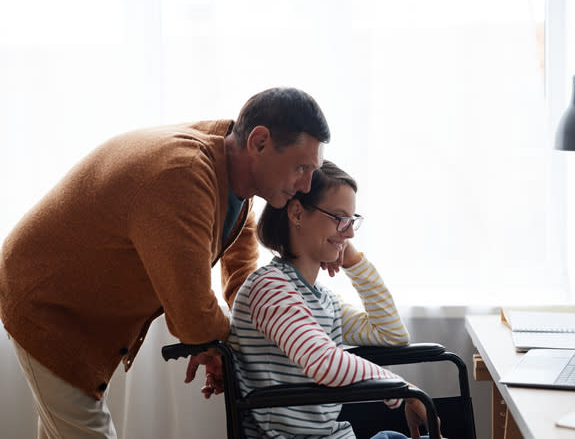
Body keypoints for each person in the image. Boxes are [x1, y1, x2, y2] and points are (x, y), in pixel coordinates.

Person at [0, 87, 330, 438]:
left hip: (77, 306)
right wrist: (221, 344)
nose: (307, 184)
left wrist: (244, 332)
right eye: (301, 167)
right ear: (259, 142)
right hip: (47, 303)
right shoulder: (184, 176)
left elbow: (240, 275)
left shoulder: (234, 174)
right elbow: (192, 314)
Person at [227, 160, 438, 439]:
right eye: (340, 218)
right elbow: (324, 363)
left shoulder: (321, 299)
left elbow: (392, 334)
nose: (349, 232)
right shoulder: (269, 289)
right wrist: (405, 392)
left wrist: (354, 263)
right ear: (297, 213)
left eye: (352, 221)